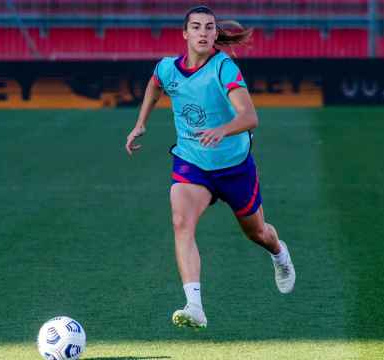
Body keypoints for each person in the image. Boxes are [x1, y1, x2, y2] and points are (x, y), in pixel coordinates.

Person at [125, 5, 295, 329]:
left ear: (216, 34)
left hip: (234, 166)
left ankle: (279, 254)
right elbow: (154, 84)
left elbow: (250, 117)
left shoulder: (224, 68)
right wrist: (141, 123)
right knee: (180, 222)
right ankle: (195, 305)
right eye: (196, 27)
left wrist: (223, 129)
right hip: (192, 163)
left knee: (258, 233)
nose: (203, 32)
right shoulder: (167, 68)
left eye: (209, 27)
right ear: (185, 34)